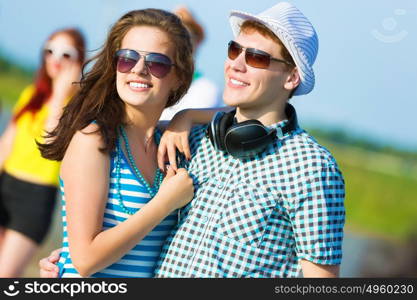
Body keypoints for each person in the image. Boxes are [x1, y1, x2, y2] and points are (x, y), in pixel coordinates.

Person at [40, 2, 345, 278]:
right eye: (234, 50)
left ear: (292, 78)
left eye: (256, 57)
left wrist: (187, 116)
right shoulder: (193, 143)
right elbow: (85, 256)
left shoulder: (311, 167)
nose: (236, 64)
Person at [37, 9, 194, 278]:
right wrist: (164, 204)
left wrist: (189, 115)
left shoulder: (169, 142)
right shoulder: (95, 140)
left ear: (179, 75)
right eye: (127, 58)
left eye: (156, 63)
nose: (138, 70)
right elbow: (85, 260)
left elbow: (245, 111)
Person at [0, 27, 85, 277]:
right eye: (49, 50)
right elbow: (7, 143)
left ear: (78, 60)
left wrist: (61, 93)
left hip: (36, 196)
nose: (55, 59)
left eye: (65, 54)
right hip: (6, 183)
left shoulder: (79, 108)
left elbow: (52, 141)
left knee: (6, 275)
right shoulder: (32, 96)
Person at [159, 5, 221, 121]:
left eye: (186, 37)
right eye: (173, 37)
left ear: (197, 42)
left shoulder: (206, 88)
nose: (180, 43)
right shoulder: (153, 81)